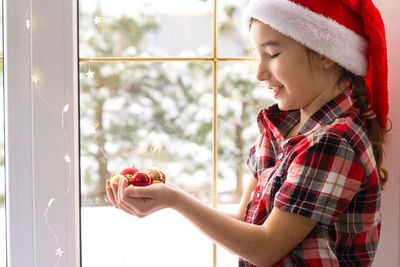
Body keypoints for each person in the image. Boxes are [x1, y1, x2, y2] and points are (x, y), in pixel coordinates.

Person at [106, 0, 390, 266]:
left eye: (272, 54)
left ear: (325, 55)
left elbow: (266, 248)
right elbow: (246, 224)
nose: (259, 72)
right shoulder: (278, 128)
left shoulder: (333, 142)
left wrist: (176, 199)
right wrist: (169, 199)